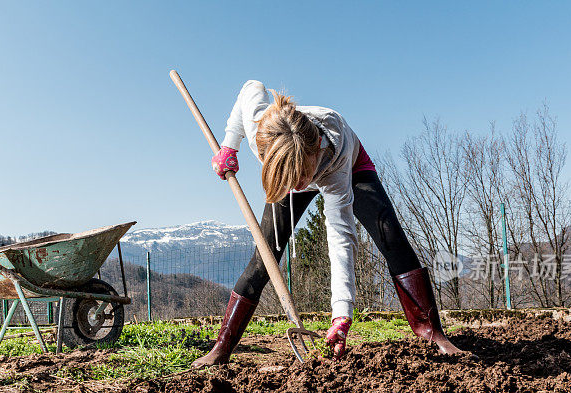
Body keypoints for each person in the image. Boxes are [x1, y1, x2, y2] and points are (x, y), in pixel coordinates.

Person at [192, 80, 462, 368]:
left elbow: (340, 235)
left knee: (389, 234)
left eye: (301, 177)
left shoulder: (334, 149)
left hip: (348, 165)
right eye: (291, 180)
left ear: (316, 151)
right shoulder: (262, 127)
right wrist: (229, 145)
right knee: (264, 256)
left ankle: (432, 333)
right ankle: (222, 347)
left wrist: (341, 315)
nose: (297, 187)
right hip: (286, 163)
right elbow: (251, 87)